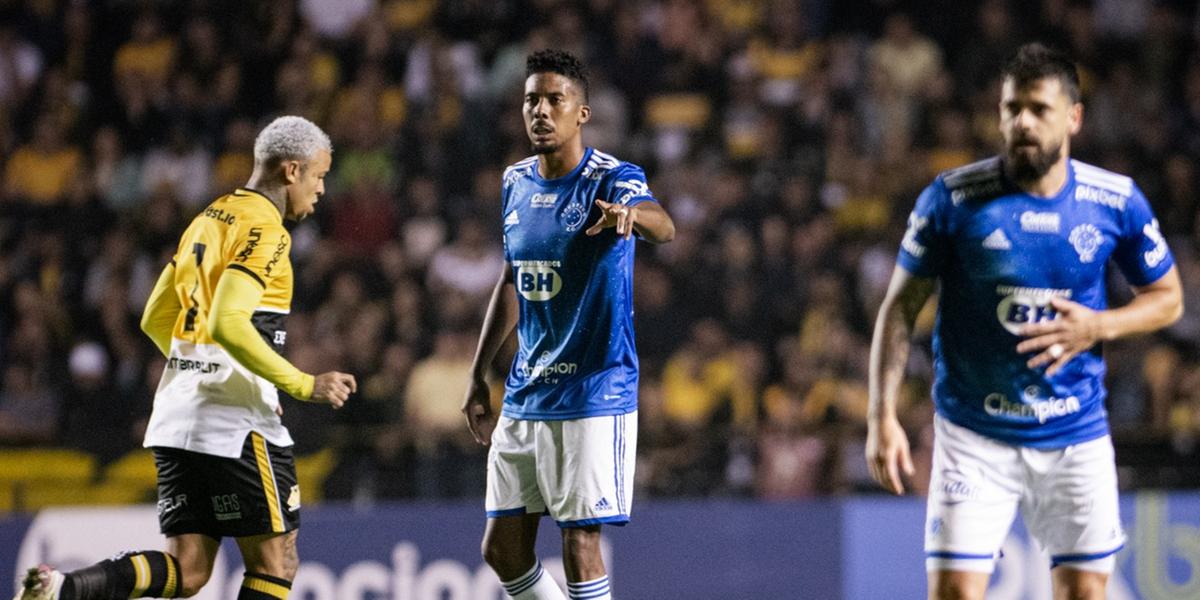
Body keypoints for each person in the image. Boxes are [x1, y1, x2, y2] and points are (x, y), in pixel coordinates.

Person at [865, 43, 1183, 600]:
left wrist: (1098, 326)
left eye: (1038, 109)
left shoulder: (1114, 202)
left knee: (1086, 594)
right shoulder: (952, 199)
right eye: (1012, 109)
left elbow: (1168, 299)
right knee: (955, 594)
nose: (1022, 123)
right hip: (973, 436)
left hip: (1073, 431)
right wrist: (881, 415)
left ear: (1074, 117)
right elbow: (899, 307)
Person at [16, 116, 357, 600]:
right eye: (319, 175)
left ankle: (66, 587)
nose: (322, 189)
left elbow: (156, 316)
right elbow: (227, 322)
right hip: (235, 423)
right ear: (291, 170)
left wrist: (203, 369)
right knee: (277, 561)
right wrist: (302, 384)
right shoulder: (268, 230)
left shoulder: (210, 218)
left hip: (179, 414)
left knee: (189, 570)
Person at [462, 49, 674, 600]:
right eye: (532, 99)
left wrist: (632, 216)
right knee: (501, 549)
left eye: (555, 100)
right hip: (527, 390)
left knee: (579, 544)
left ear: (582, 113)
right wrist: (478, 373)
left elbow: (664, 225)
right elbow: (513, 281)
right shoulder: (514, 182)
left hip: (593, 388)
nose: (540, 110)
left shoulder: (612, 178)